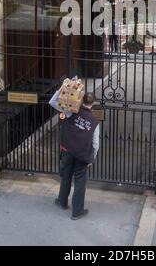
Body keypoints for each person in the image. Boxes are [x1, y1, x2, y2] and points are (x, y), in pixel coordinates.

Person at [49, 91, 99, 220]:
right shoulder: (94, 122)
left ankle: (62, 201)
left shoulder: (71, 111)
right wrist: (92, 158)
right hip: (82, 155)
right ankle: (77, 211)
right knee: (80, 182)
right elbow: (95, 143)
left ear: (81, 101)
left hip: (68, 150)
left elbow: (52, 102)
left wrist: (64, 89)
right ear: (93, 103)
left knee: (66, 176)